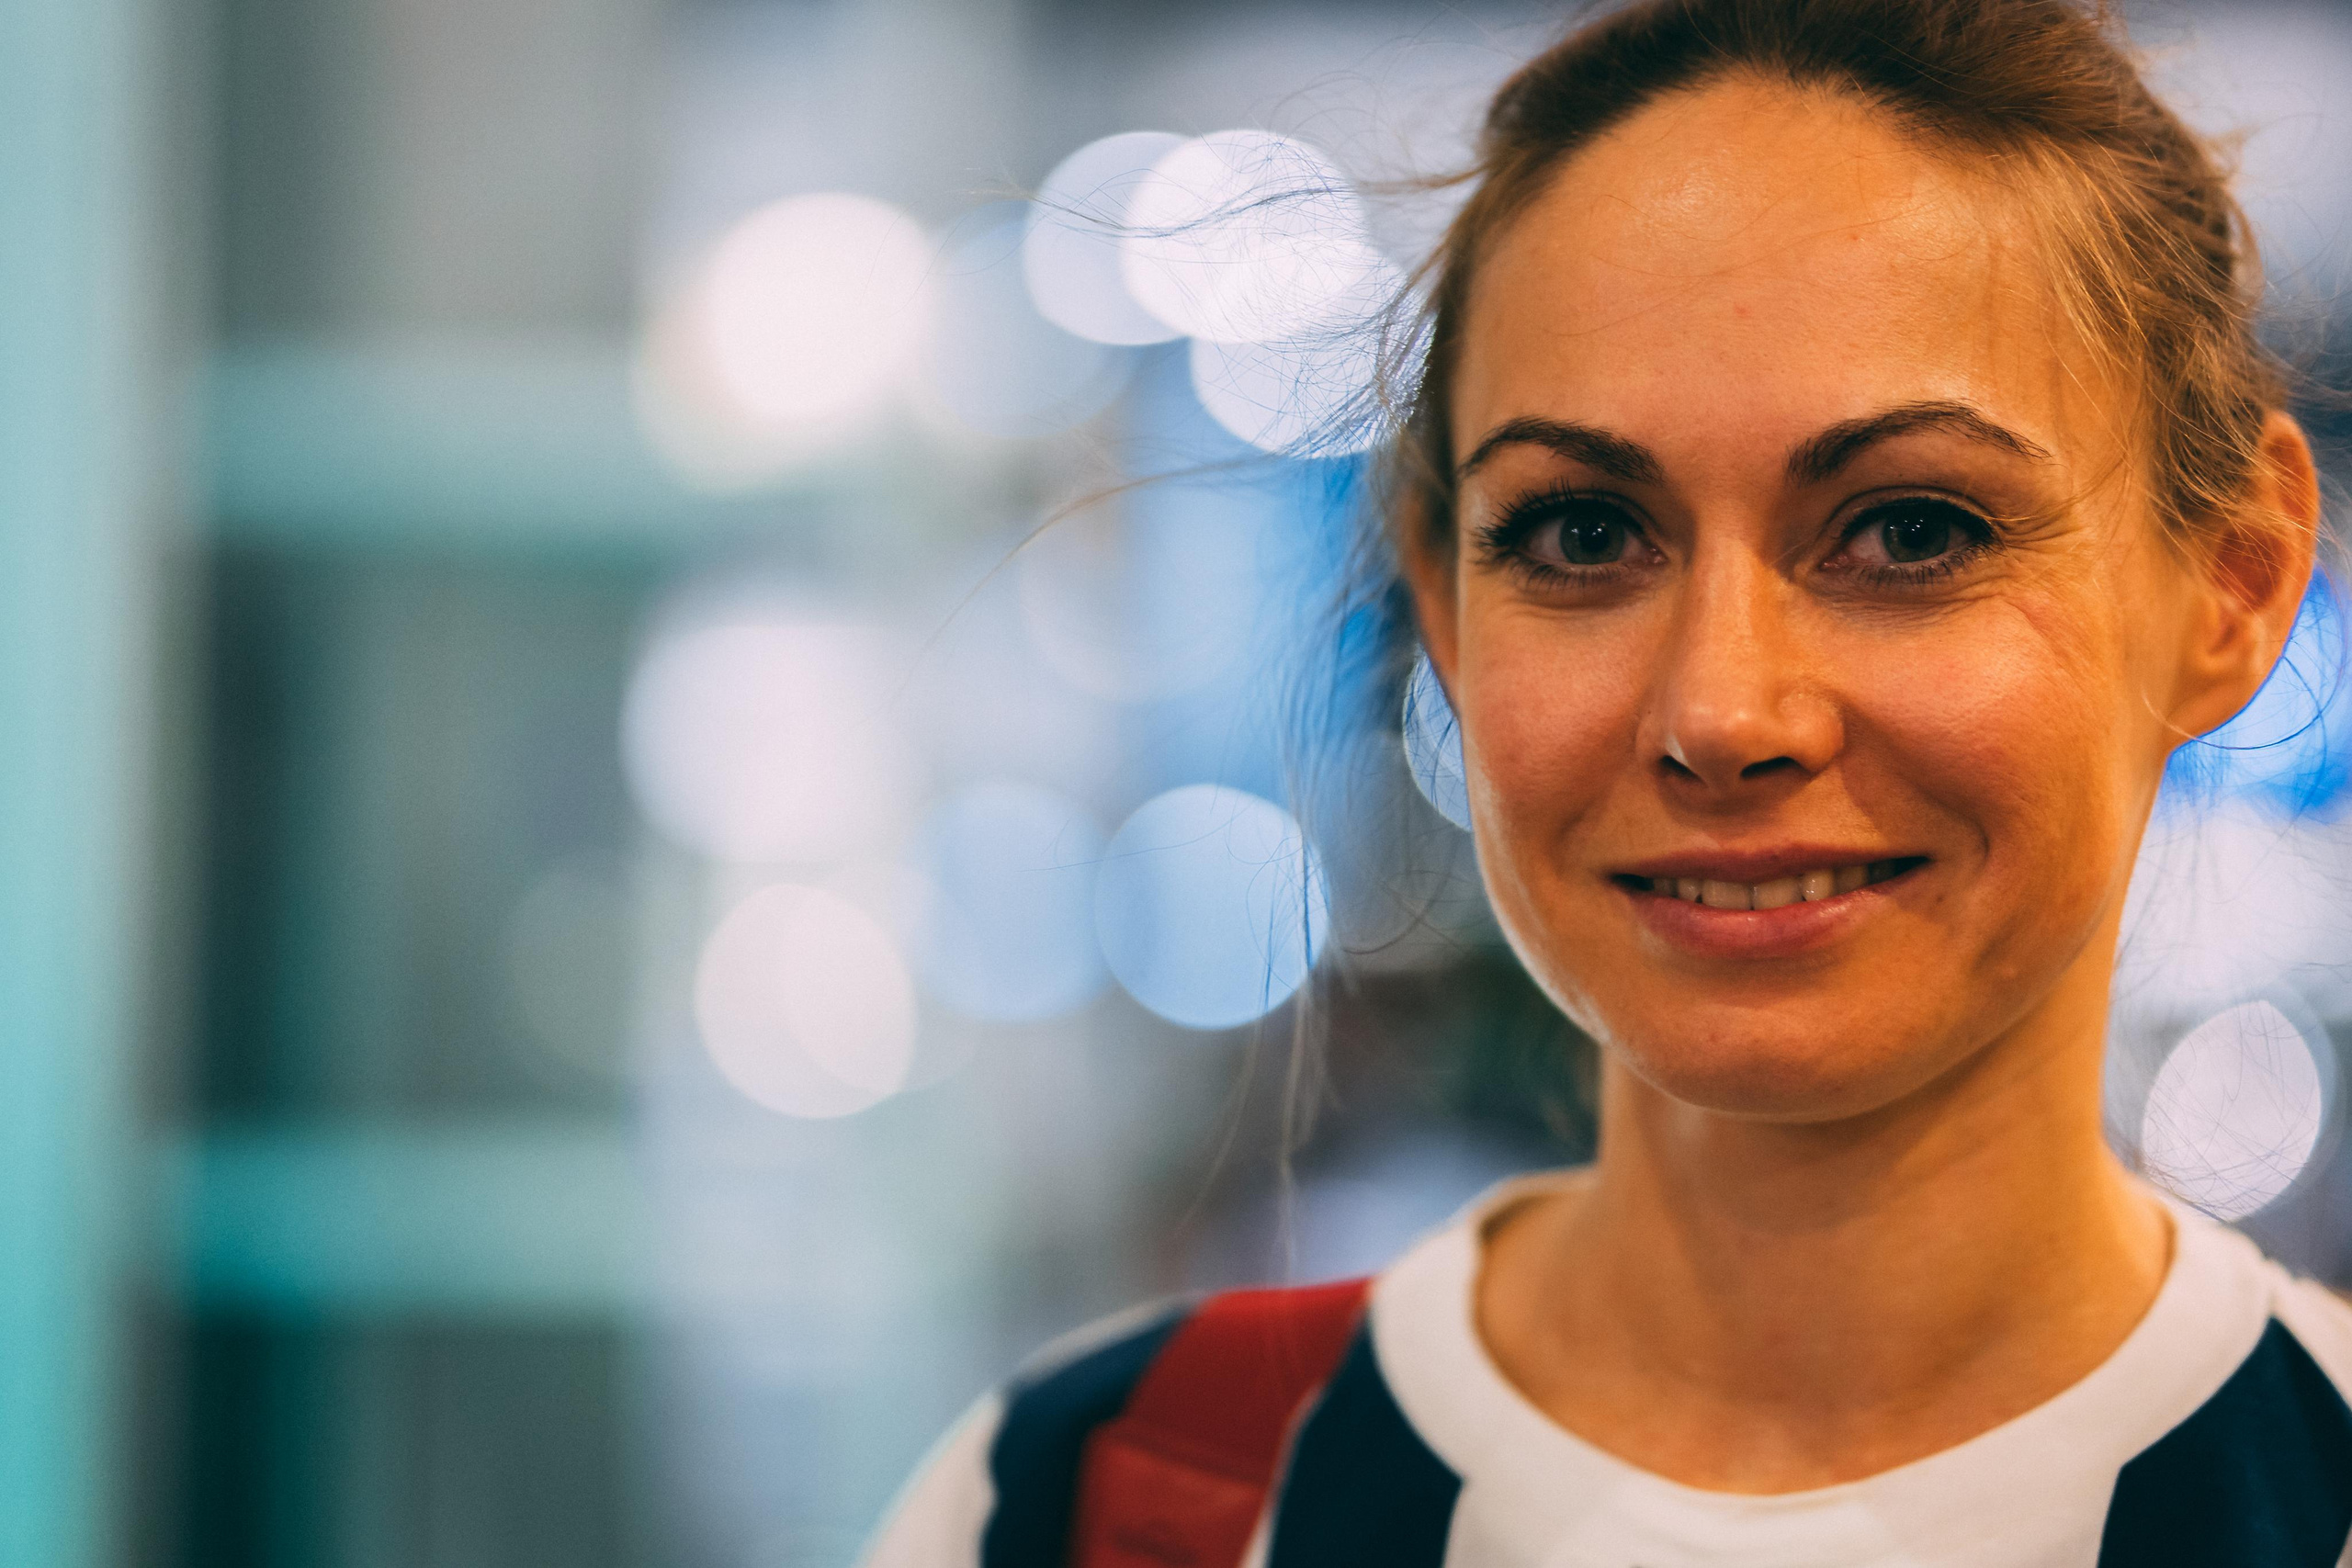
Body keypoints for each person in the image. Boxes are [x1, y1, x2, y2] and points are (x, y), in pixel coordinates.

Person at [863, 1, 2352, 1562]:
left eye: (1912, 528)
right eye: (1581, 534)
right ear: (1442, 605)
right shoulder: (1088, 1502)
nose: (1720, 710)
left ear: (2236, 585)